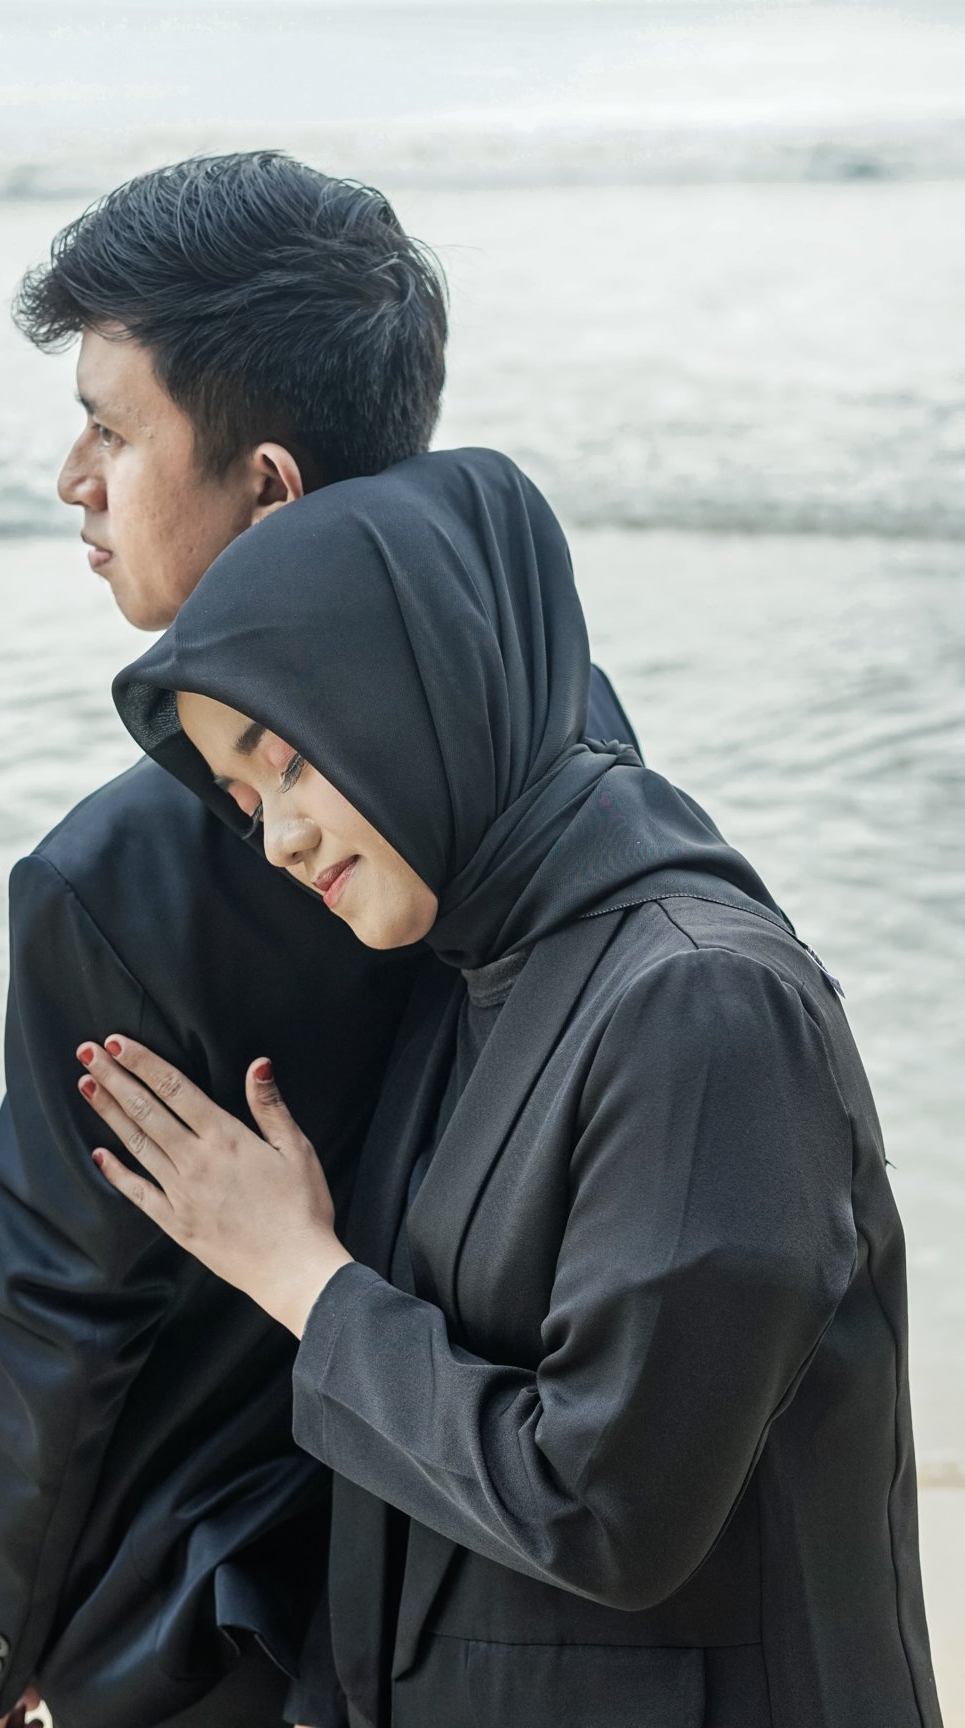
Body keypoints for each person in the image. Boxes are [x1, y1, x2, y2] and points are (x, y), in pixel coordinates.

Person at [79, 446, 943, 1728]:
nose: (281, 838)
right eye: (246, 801)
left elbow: (607, 1508)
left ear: (423, 680)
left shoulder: (704, 1004)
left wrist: (299, 1275)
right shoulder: (478, 975)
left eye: (291, 758)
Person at [0, 152, 640, 1728]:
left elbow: (60, 1322)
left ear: (267, 488)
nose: (73, 477)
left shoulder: (113, 881)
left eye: (114, 431)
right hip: (495, 1596)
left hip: (207, 1631)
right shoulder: (559, 739)